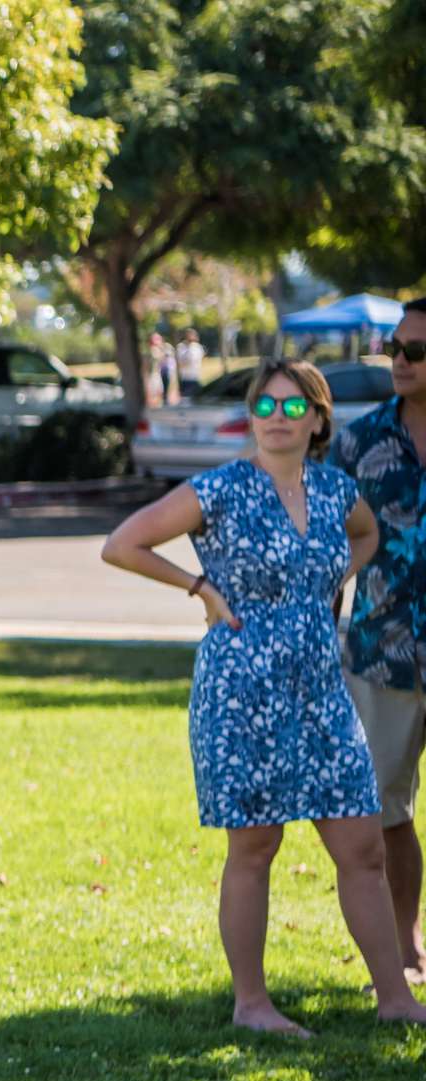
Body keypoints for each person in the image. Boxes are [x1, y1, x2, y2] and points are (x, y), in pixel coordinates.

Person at [101, 358, 426, 1035]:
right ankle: (252, 1005)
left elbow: (366, 536)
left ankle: (394, 997)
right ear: (252, 417)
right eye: (265, 408)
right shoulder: (218, 489)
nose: (277, 420)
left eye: (292, 408)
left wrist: (337, 574)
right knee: (255, 847)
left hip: (321, 689)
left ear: (316, 419)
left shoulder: (336, 492)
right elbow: (123, 543)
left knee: (361, 844)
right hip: (240, 688)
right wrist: (200, 588)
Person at [333, 296, 426, 974]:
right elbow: (327, 545)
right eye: (394, 347)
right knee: (386, 811)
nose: (399, 361)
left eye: (414, 352)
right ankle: (405, 946)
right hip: (379, 654)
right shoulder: (358, 441)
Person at [176, 327, 206, 392]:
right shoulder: (181, 347)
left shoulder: (198, 347)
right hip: (185, 379)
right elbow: (180, 362)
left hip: (195, 377)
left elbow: (200, 359)